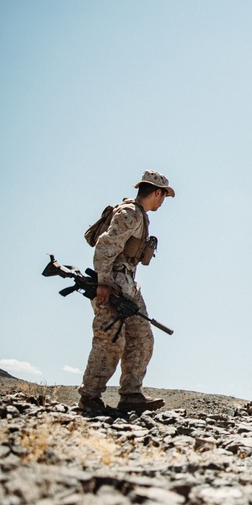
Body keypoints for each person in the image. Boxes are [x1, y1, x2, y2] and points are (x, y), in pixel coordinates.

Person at [78, 170, 174, 413]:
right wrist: (103, 282)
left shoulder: (140, 215)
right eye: (163, 196)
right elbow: (106, 244)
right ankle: (89, 397)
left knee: (141, 338)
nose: (163, 201)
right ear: (157, 192)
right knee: (110, 340)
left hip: (128, 287)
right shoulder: (130, 213)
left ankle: (131, 395)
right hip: (113, 285)